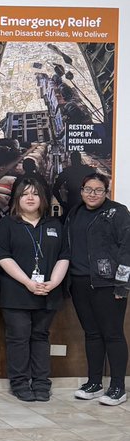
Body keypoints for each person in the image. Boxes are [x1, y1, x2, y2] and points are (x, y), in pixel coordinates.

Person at [0, 177, 69, 402]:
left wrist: (53, 283)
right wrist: (28, 282)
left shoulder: (54, 225)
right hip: (16, 292)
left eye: (35, 194)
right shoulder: (6, 225)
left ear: (42, 198)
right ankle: (19, 383)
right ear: (17, 198)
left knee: (40, 337)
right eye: (25, 193)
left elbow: (64, 256)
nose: (30, 198)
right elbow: (2, 256)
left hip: (47, 292)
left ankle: (41, 383)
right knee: (18, 337)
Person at [67, 171, 130, 406]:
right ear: (81, 191)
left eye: (98, 190)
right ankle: (94, 382)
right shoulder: (75, 212)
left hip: (108, 284)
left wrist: (122, 285)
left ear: (106, 192)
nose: (92, 194)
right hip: (80, 282)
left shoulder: (117, 212)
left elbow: (127, 250)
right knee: (92, 334)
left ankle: (117, 387)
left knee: (112, 334)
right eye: (88, 190)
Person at [54, 151, 94, 216]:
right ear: (80, 159)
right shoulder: (88, 170)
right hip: (86, 204)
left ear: (71, 160)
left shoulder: (67, 172)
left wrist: (62, 203)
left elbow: (55, 189)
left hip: (71, 204)